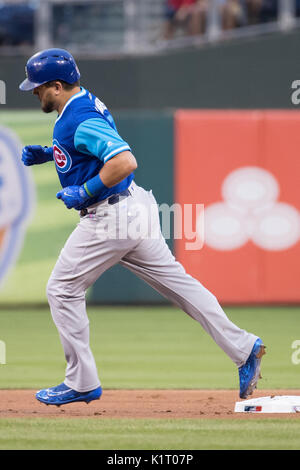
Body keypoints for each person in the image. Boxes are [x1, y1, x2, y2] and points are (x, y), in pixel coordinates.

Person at [19, 48, 265, 406]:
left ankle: (82, 381)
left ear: (56, 85)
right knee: (182, 287)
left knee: (61, 289)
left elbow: (124, 160)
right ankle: (244, 347)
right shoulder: (80, 105)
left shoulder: (79, 118)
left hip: (111, 217)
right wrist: (50, 152)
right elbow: (89, 149)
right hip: (134, 209)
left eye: (38, 87)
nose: (34, 93)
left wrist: (84, 190)